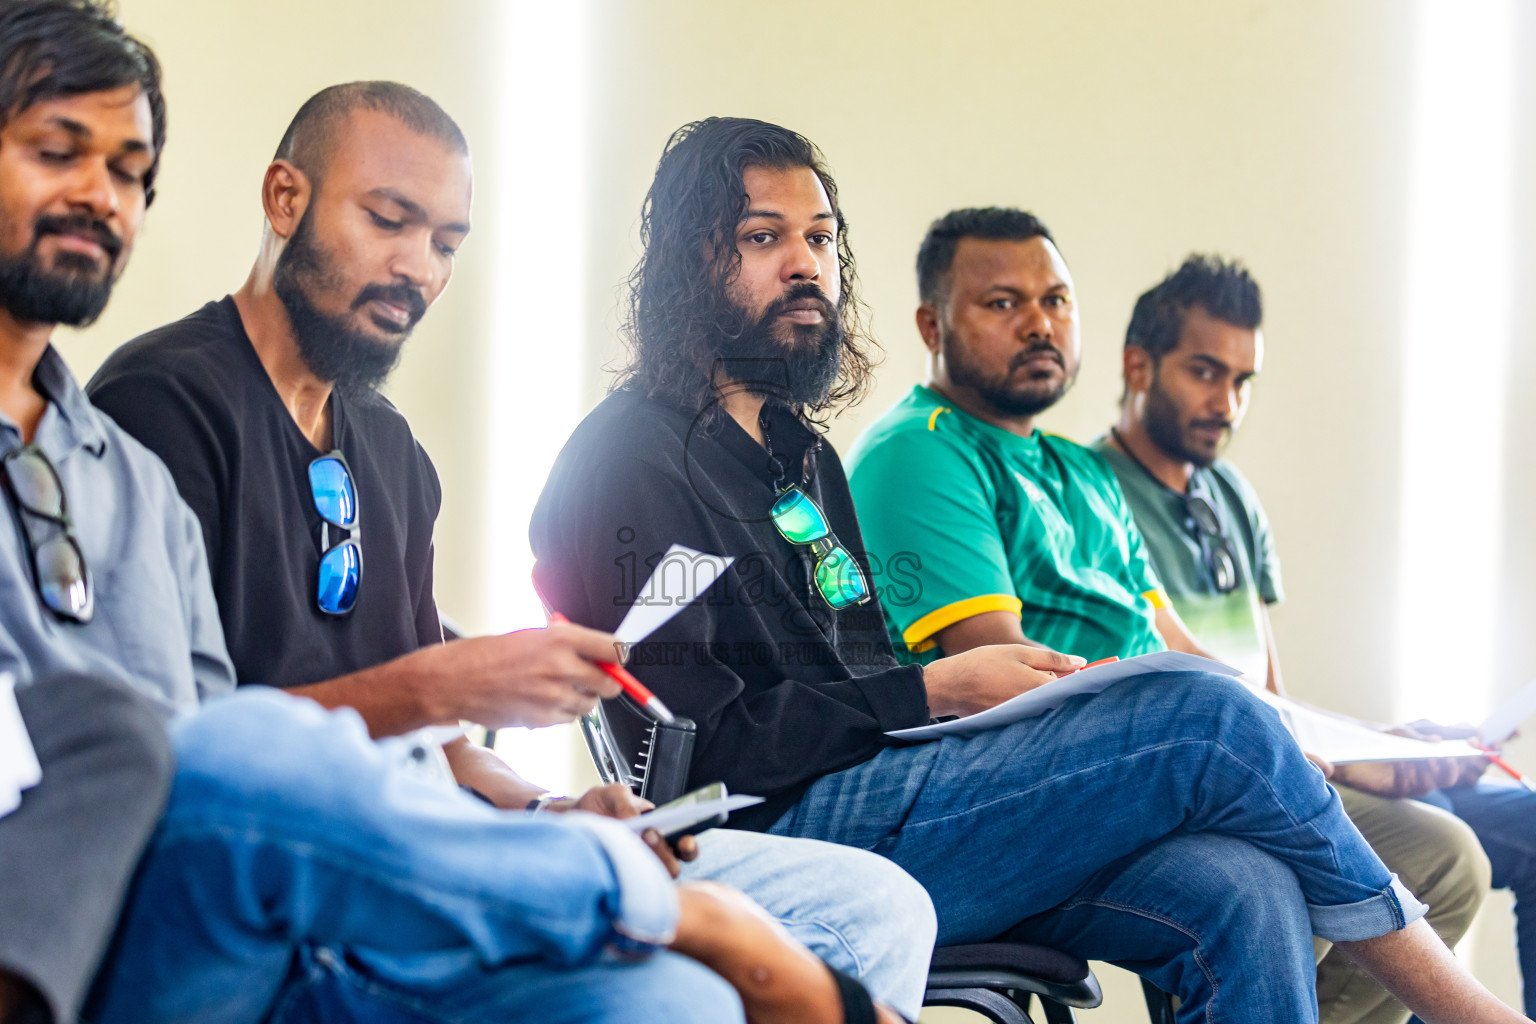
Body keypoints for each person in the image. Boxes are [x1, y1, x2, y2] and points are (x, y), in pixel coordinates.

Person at [531, 115, 1532, 1023]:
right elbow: (695, 752)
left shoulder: (802, 452)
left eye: (822, 238)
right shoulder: (630, 461)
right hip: (771, 830)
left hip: (891, 791)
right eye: (764, 238)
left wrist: (952, 704)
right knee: (1207, 716)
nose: (807, 265)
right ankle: (1471, 1012)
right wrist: (929, 686)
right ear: (688, 263)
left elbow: (858, 680)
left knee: (1242, 886)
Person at [0, 8, 895, 1023]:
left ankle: (626, 899)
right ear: (285, 197)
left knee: (745, 966)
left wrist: (543, 804)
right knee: (245, 755)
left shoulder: (132, 467)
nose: (419, 267)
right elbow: (211, 762)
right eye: (389, 220)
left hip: (361, 856)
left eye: (447, 242)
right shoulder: (165, 404)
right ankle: (652, 908)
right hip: (225, 900)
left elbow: (268, 746)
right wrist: (437, 687)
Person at [846, 208, 1494, 1024]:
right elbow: (1001, 685)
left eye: (1057, 300)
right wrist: (1200, 723)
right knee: (1240, 824)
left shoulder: (1082, 475)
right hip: (1046, 787)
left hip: (1175, 761)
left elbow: (1197, 663)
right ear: (931, 324)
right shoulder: (920, 451)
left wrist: (1357, 754)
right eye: (1003, 304)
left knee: (1408, 858)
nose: (1041, 323)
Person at [1097, 253, 1536, 1021]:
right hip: (1210, 779)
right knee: (1432, 856)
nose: (1226, 402)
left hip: (1289, 754)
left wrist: (1389, 749)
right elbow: (1161, 700)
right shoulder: (1095, 496)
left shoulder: (1229, 495)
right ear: (1139, 363)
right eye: (1206, 372)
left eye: (1242, 382)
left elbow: (1270, 697)